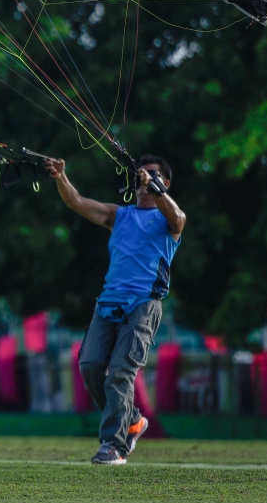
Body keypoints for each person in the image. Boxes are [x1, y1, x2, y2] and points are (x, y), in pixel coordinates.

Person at [45, 155, 185, 465]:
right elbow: (78, 202)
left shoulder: (169, 221)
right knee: (90, 366)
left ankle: (115, 445)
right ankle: (132, 420)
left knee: (121, 373)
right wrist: (60, 177)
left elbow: (177, 215)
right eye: (140, 176)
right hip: (108, 302)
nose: (144, 181)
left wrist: (156, 187)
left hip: (144, 304)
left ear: (165, 182)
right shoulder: (118, 215)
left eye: (152, 176)